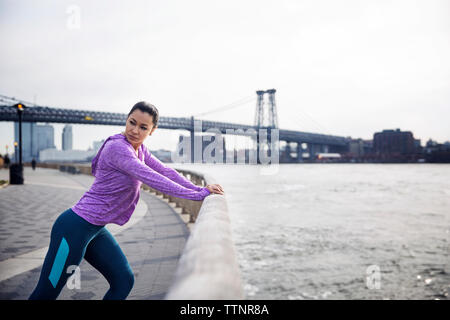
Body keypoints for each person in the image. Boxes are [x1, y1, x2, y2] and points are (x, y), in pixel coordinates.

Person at [29, 101, 224, 300]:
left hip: (95, 229)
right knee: (46, 293)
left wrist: (199, 189)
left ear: (152, 130)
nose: (134, 130)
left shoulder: (139, 149)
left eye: (143, 127)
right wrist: (197, 195)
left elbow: (165, 171)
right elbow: (154, 178)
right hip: (73, 229)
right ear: (126, 119)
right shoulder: (118, 148)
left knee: (123, 280)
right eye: (132, 122)